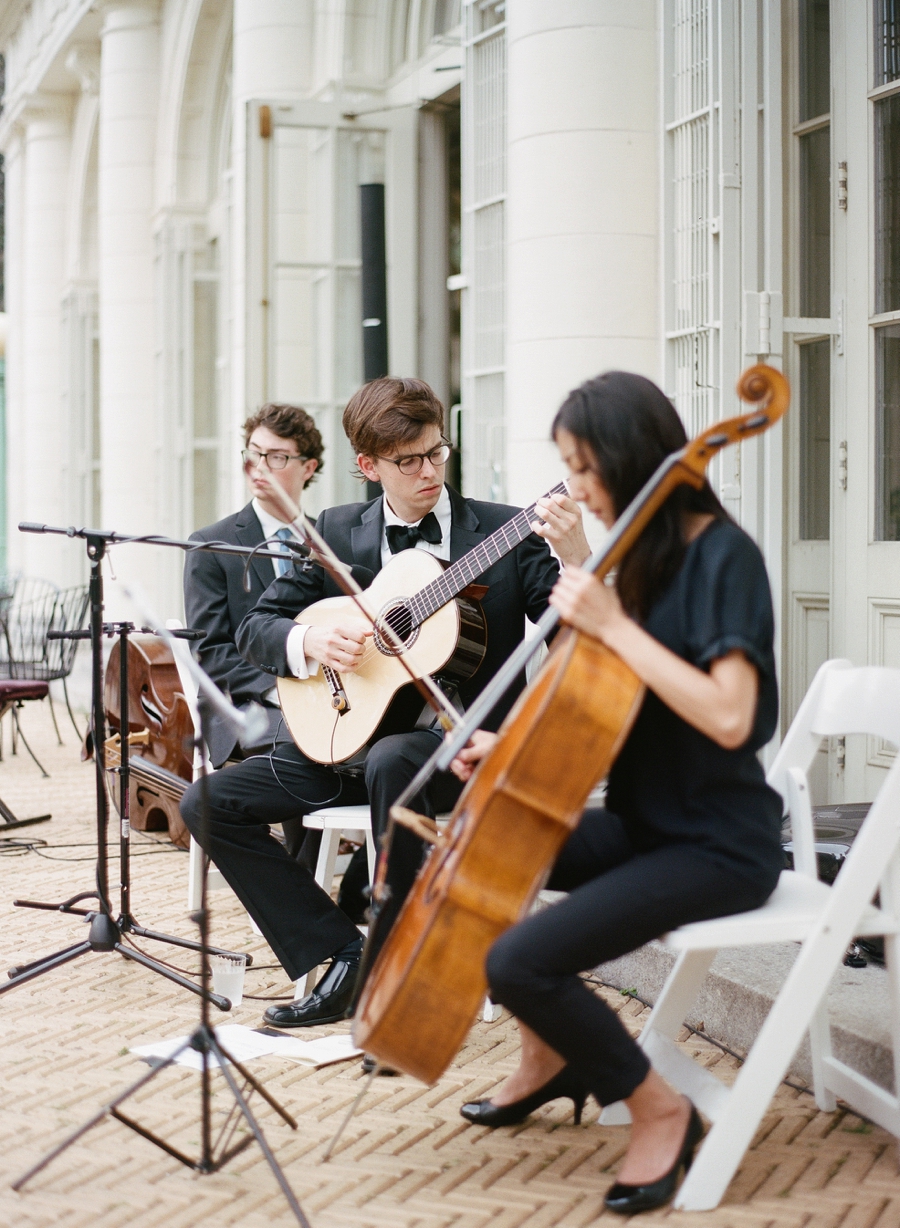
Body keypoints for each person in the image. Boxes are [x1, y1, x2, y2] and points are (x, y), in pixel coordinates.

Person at [448, 371, 784, 1216]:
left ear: (635, 462)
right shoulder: (643, 560)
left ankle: (660, 1110)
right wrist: (507, 748)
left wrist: (614, 624)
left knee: (519, 959)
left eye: (585, 469)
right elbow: (613, 705)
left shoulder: (722, 557)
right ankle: (548, 1055)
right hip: (648, 824)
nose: (577, 490)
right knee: (466, 835)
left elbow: (731, 716)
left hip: (718, 846)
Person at [180, 375, 589, 1029]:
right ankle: (340, 951)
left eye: (436, 453)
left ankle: (412, 965)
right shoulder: (338, 532)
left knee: (396, 758)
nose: (429, 471)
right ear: (368, 467)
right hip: (342, 736)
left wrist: (577, 557)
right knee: (208, 802)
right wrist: (311, 638)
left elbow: (580, 630)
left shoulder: (506, 532)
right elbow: (257, 628)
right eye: (408, 462)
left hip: (455, 750)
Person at [184, 403, 323, 769]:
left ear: (308, 467)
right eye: (254, 454)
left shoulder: (328, 540)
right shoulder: (212, 544)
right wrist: (282, 688)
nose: (260, 468)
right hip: (243, 706)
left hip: (324, 696)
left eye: (277, 457)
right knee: (306, 746)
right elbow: (210, 654)